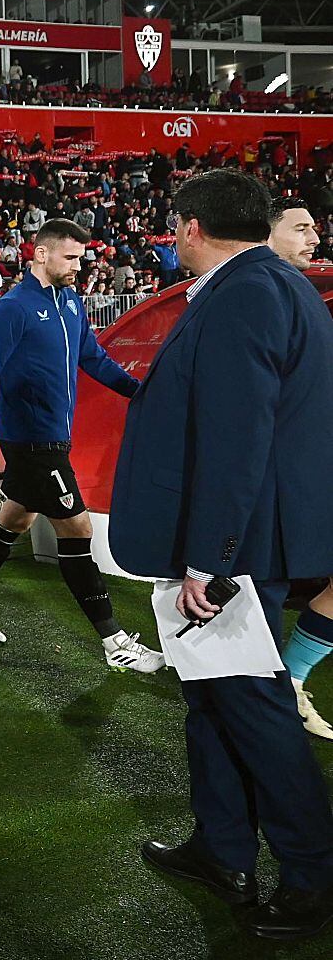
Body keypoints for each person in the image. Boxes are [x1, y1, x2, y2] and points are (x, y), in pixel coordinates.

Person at [114, 170, 333, 940]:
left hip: (241, 545)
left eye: (177, 226)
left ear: (194, 226)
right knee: (211, 699)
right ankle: (224, 849)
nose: (174, 238)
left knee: (253, 708)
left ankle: (312, 873)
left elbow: (241, 436)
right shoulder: (272, 283)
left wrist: (213, 555)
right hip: (252, 535)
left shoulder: (246, 291)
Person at [0, 220, 163, 673]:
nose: (78, 267)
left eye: (81, 258)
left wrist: (139, 392)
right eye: (70, 257)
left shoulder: (70, 302)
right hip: (31, 441)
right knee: (77, 529)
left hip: (51, 436)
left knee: (16, 516)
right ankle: (114, 641)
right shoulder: (13, 307)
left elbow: (93, 358)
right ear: (41, 254)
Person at [266, 197, 333, 738]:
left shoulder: (300, 293)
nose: (316, 237)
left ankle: (286, 681)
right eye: (302, 228)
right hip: (278, 479)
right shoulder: (261, 294)